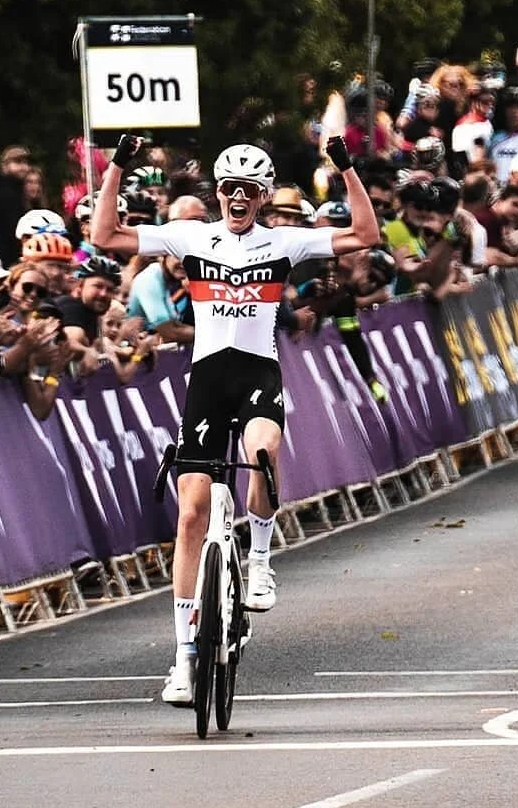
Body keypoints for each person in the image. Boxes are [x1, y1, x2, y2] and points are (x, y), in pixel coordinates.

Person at [93, 134, 379, 706]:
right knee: (192, 514)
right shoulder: (192, 236)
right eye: (229, 189)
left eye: (249, 190)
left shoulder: (284, 243)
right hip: (206, 383)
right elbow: (105, 236)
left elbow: (364, 236)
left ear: (263, 196)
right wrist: (118, 166)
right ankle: (182, 658)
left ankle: (261, 560)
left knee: (263, 454)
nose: (237, 197)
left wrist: (345, 169)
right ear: (218, 193)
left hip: (257, 376)